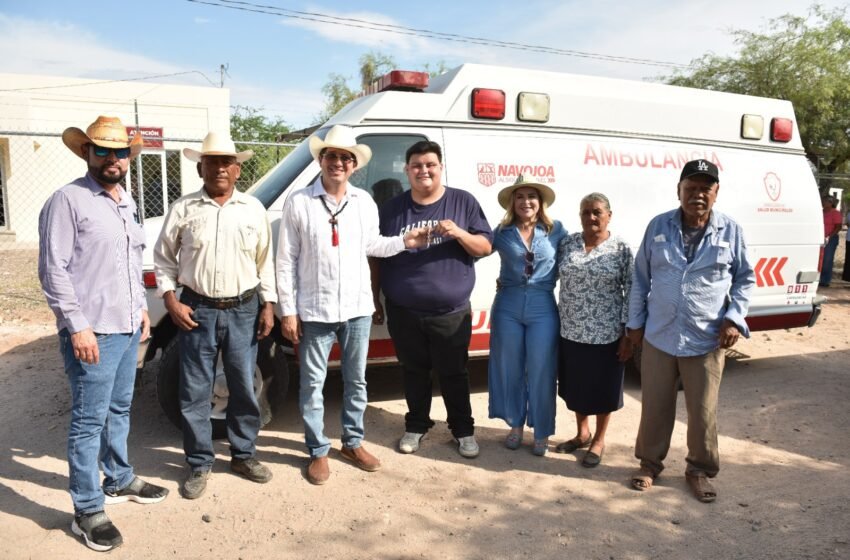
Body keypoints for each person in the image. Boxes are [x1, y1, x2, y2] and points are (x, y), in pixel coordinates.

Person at [38, 116, 168, 552]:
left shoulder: (125, 201)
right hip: (93, 332)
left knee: (119, 408)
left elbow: (129, 264)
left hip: (128, 326)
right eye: (102, 150)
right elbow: (53, 271)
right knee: (88, 421)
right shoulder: (68, 201)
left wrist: (140, 313)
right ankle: (87, 509)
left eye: (119, 152)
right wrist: (77, 327)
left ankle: (119, 478)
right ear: (85, 153)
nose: (112, 159)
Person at [276, 125, 427, 485]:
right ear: (321, 159)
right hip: (314, 309)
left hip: (356, 308)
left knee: (356, 381)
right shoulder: (299, 202)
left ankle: (352, 442)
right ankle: (318, 451)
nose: (339, 163)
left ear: (354, 165)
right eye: (332, 156)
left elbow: (374, 245)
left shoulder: (363, 202)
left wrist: (406, 241)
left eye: (346, 158)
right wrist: (288, 310)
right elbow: (286, 261)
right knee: (313, 384)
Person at [154, 131, 276, 500]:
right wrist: (171, 301)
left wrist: (268, 304)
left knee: (242, 385)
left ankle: (243, 454)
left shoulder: (253, 209)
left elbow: (264, 261)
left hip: (244, 309)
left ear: (238, 169)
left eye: (227, 161)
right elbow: (163, 260)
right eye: (212, 161)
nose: (220, 168)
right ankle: (199, 462)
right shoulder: (183, 209)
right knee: (194, 389)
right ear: (200, 167)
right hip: (198, 309)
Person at [626, 159, 755, 503]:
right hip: (659, 334)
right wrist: (634, 324)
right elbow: (641, 278)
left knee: (702, 411)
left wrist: (734, 317)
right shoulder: (658, 226)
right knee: (654, 405)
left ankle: (699, 470)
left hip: (706, 337)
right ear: (679, 190)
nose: (697, 194)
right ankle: (650, 463)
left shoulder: (731, 231)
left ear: (716, 193)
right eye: (691, 188)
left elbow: (745, 279)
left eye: (704, 188)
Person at [374, 140, 493, 458]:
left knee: (454, 373)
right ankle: (416, 426)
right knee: (413, 370)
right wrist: (375, 299)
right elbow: (376, 255)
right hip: (404, 310)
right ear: (407, 170)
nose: (423, 170)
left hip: (450, 312)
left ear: (440, 168)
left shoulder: (463, 202)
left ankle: (463, 431)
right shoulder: (392, 208)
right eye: (416, 165)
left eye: (430, 164)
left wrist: (459, 233)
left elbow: (485, 247)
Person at [487, 176, 566, 456]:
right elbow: (476, 251)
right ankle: (515, 424)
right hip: (507, 303)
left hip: (542, 305)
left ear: (540, 201)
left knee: (542, 369)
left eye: (531, 196)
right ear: (512, 202)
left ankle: (542, 430)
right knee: (510, 366)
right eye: (519, 197)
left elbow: (572, 263)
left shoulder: (556, 230)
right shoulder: (502, 231)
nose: (526, 202)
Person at [555, 193, 633, 468]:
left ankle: (599, 439)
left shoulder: (620, 248)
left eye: (597, 212)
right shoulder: (569, 243)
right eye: (585, 212)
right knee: (576, 387)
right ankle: (582, 433)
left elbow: (631, 289)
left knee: (603, 389)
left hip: (607, 334)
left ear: (609, 215)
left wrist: (628, 333)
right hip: (571, 331)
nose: (591, 217)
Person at [820, 194, 843, 287]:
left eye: (825, 201)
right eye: (823, 200)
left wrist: (829, 237)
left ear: (831, 203)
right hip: (819, 238)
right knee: (819, 259)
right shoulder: (820, 212)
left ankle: (825, 280)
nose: (823, 202)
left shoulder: (836, 213)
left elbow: (838, 227)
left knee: (827, 260)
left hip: (830, 239)